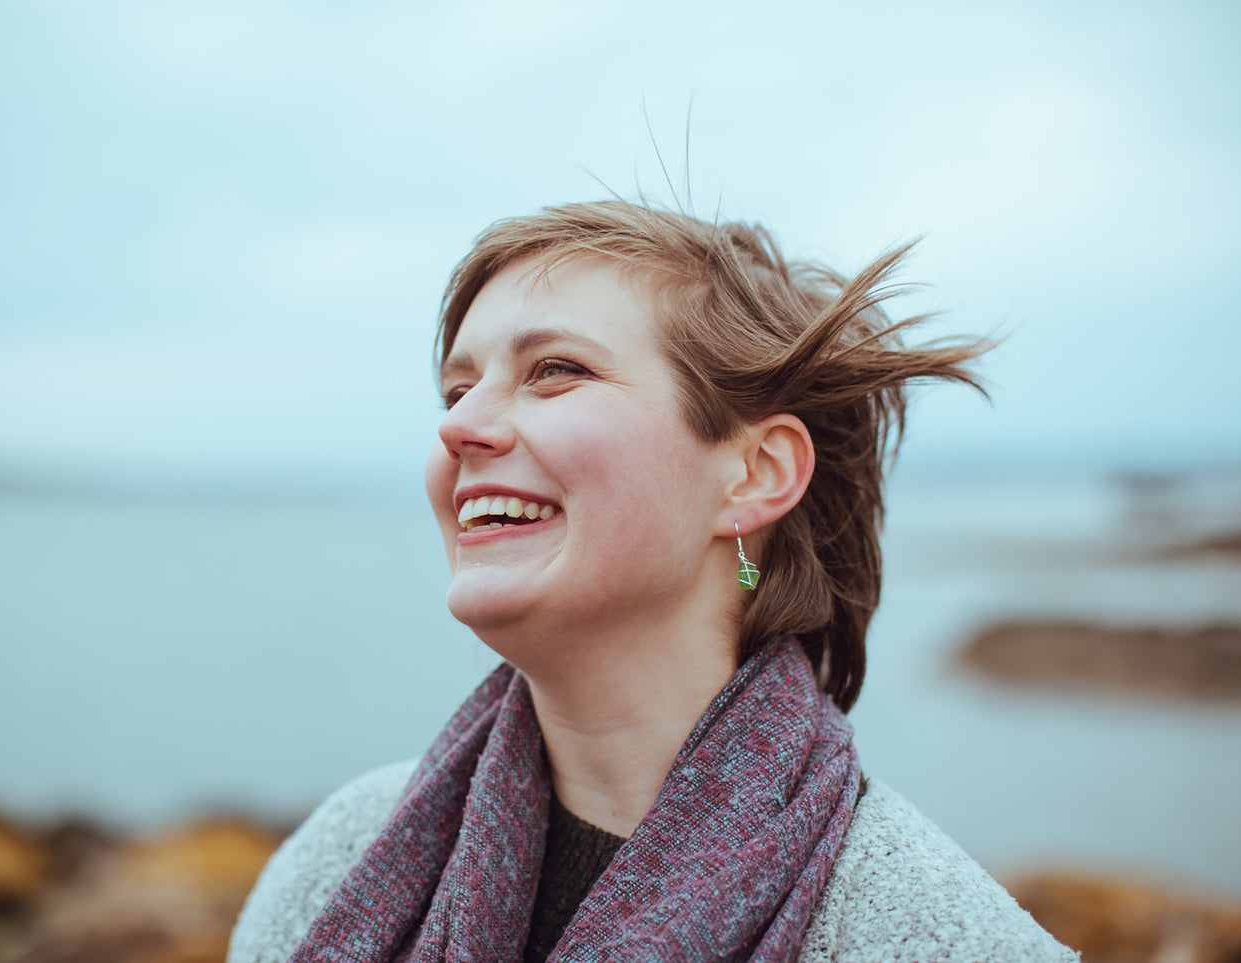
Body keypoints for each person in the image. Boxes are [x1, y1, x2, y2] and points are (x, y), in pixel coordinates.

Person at [228, 201, 1078, 962]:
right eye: (457, 386)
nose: (459, 425)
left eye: (554, 369)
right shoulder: (339, 856)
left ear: (752, 474)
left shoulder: (926, 934)